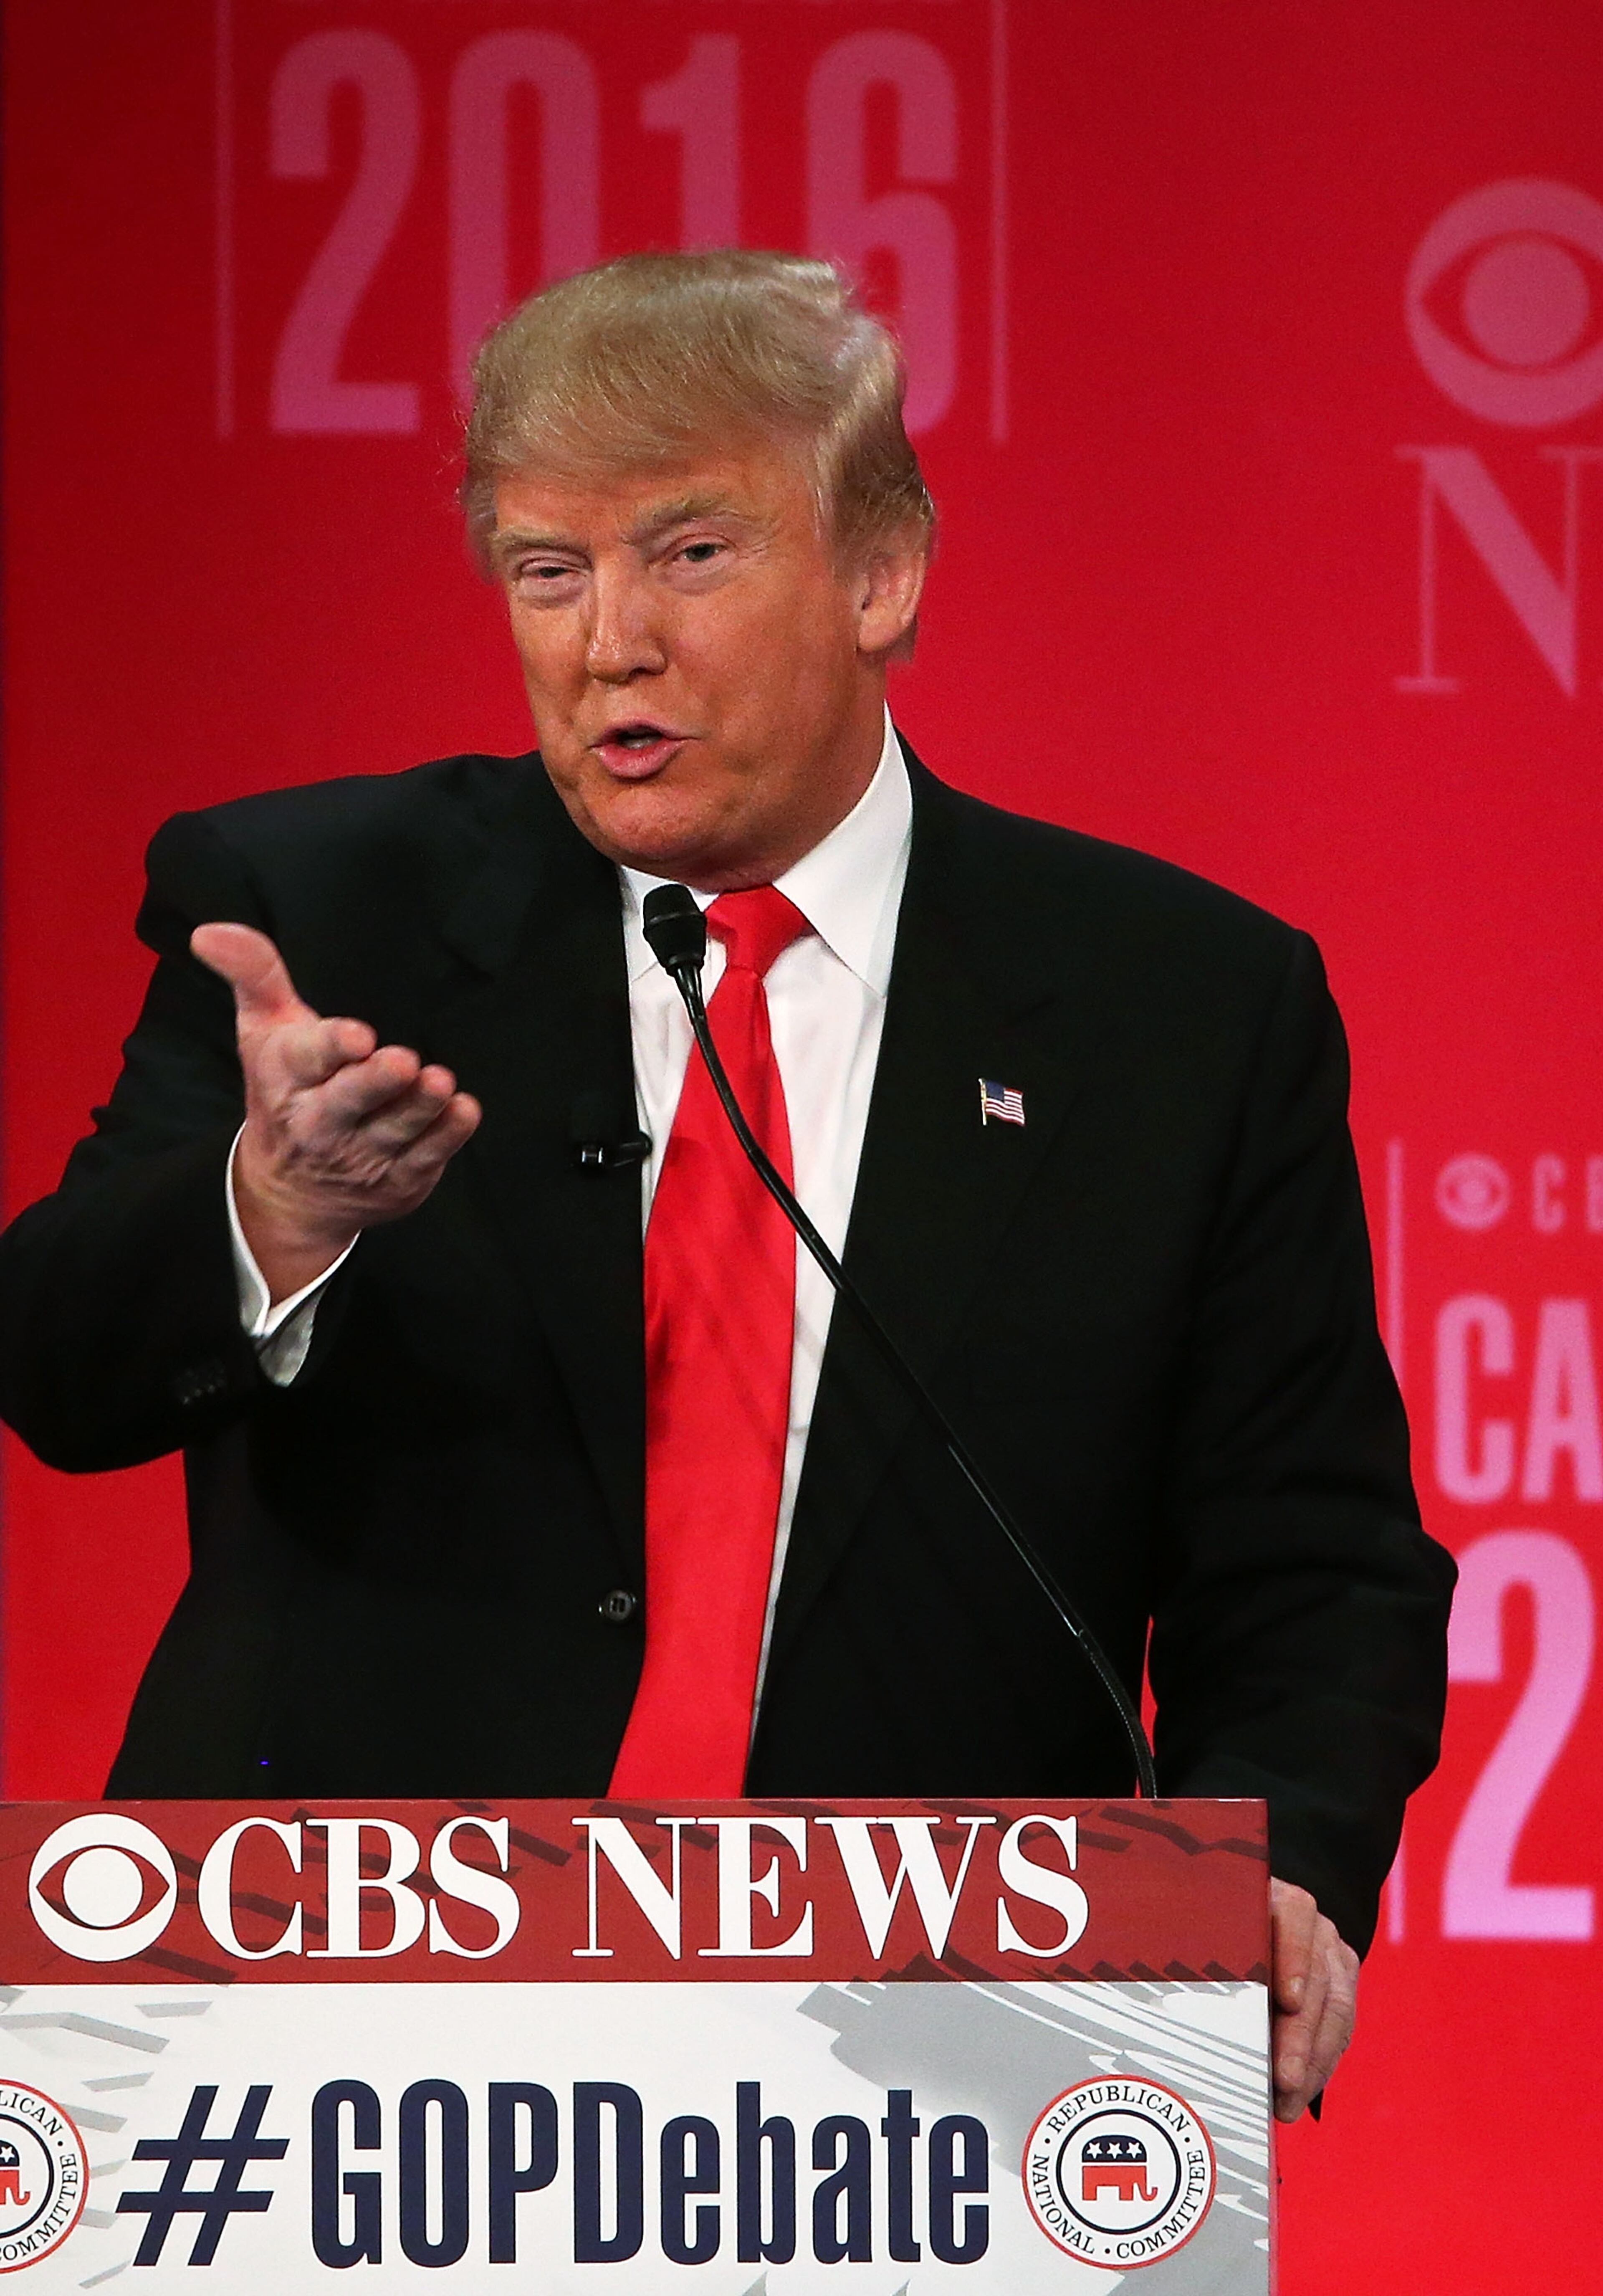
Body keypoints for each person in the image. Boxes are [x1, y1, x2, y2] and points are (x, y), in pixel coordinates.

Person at [0, 251, 1453, 2122]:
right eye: (551, 568)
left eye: (690, 555)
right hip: (334, 2061)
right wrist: (268, 1208)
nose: (611, 639)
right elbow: (54, 1362)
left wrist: (1288, 1868)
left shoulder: (1179, 1006)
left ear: (879, 574)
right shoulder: (315, 913)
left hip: (917, 2079)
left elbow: (1312, 1566)